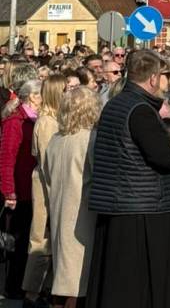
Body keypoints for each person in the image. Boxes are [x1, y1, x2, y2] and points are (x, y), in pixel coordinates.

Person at [86, 49, 170, 308]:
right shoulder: (140, 110)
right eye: (163, 75)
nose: (165, 81)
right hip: (143, 208)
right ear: (153, 78)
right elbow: (164, 157)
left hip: (121, 202)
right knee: (141, 286)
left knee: (120, 284)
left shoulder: (115, 104)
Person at [44, 85, 100, 306]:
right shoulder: (91, 139)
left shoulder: (55, 140)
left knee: (63, 273)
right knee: (78, 279)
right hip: (83, 214)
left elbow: (47, 176)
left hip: (59, 210)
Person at [22, 72, 67, 303]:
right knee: (41, 239)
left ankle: (42, 291)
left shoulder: (52, 119)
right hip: (46, 186)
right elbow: (49, 162)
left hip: (48, 183)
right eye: (65, 90)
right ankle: (32, 293)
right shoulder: (48, 122)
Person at [0, 77, 43, 298]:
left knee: (25, 239)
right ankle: (11, 287)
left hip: (30, 189)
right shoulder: (15, 121)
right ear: (33, 97)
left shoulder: (35, 119)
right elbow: (7, 158)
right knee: (14, 241)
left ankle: (20, 285)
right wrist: (9, 191)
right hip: (19, 190)